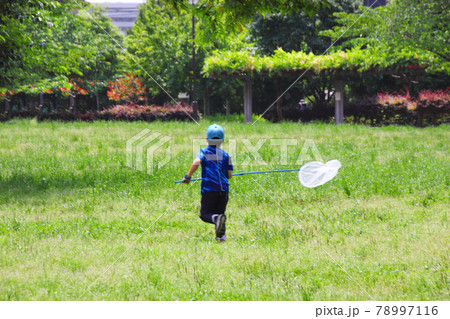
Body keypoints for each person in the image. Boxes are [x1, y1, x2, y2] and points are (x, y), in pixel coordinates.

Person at [182, 124, 233, 242]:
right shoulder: (226, 155)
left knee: (205, 215)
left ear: (206, 139)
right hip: (223, 190)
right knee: (220, 215)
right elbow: (229, 175)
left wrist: (188, 176)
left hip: (209, 190)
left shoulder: (203, 152)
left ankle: (217, 224)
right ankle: (221, 237)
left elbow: (196, 162)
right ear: (223, 140)